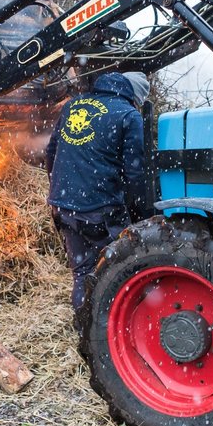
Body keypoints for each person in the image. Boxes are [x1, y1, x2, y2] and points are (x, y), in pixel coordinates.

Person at [44, 70, 153, 312]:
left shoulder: (73, 105)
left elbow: (51, 152)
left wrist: (58, 191)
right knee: (121, 269)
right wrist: (142, 215)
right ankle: (115, 327)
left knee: (82, 272)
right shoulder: (128, 115)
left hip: (64, 207)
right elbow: (135, 173)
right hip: (100, 210)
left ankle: (85, 327)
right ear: (135, 96)